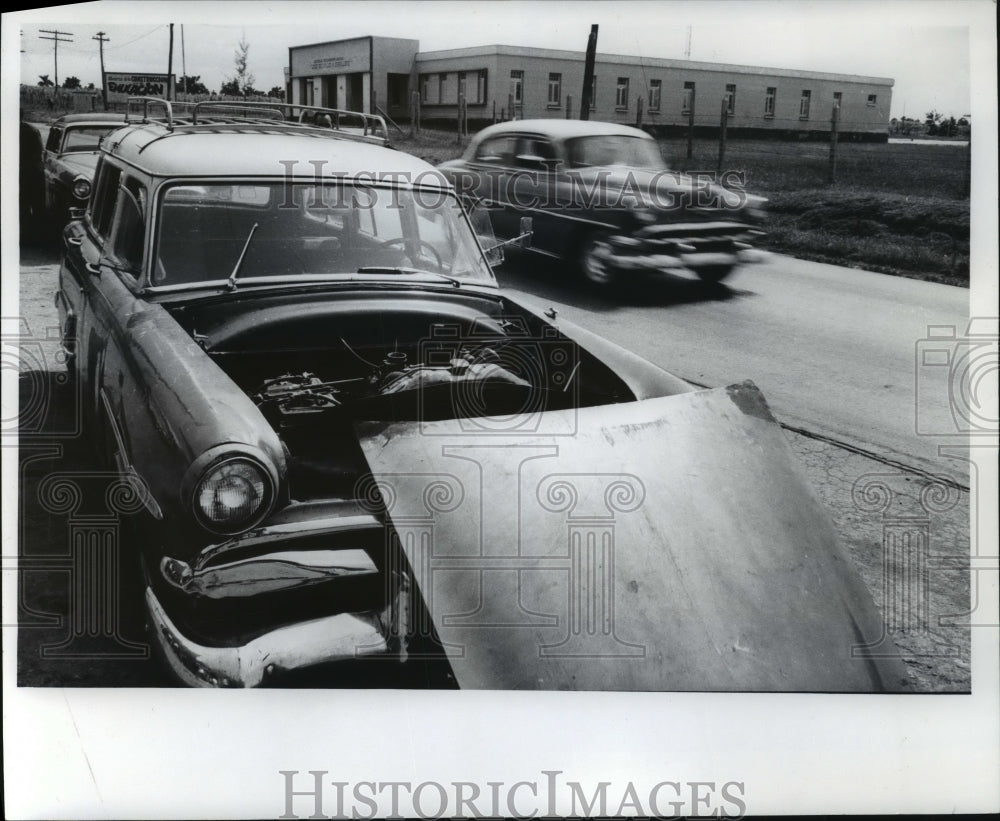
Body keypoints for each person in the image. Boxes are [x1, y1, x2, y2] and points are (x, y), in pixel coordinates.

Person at [20, 110, 45, 242]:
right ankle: (36, 234)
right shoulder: (32, 131)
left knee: (23, 204)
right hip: (31, 171)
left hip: (25, 171)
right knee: (35, 204)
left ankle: (28, 234)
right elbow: (39, 151)